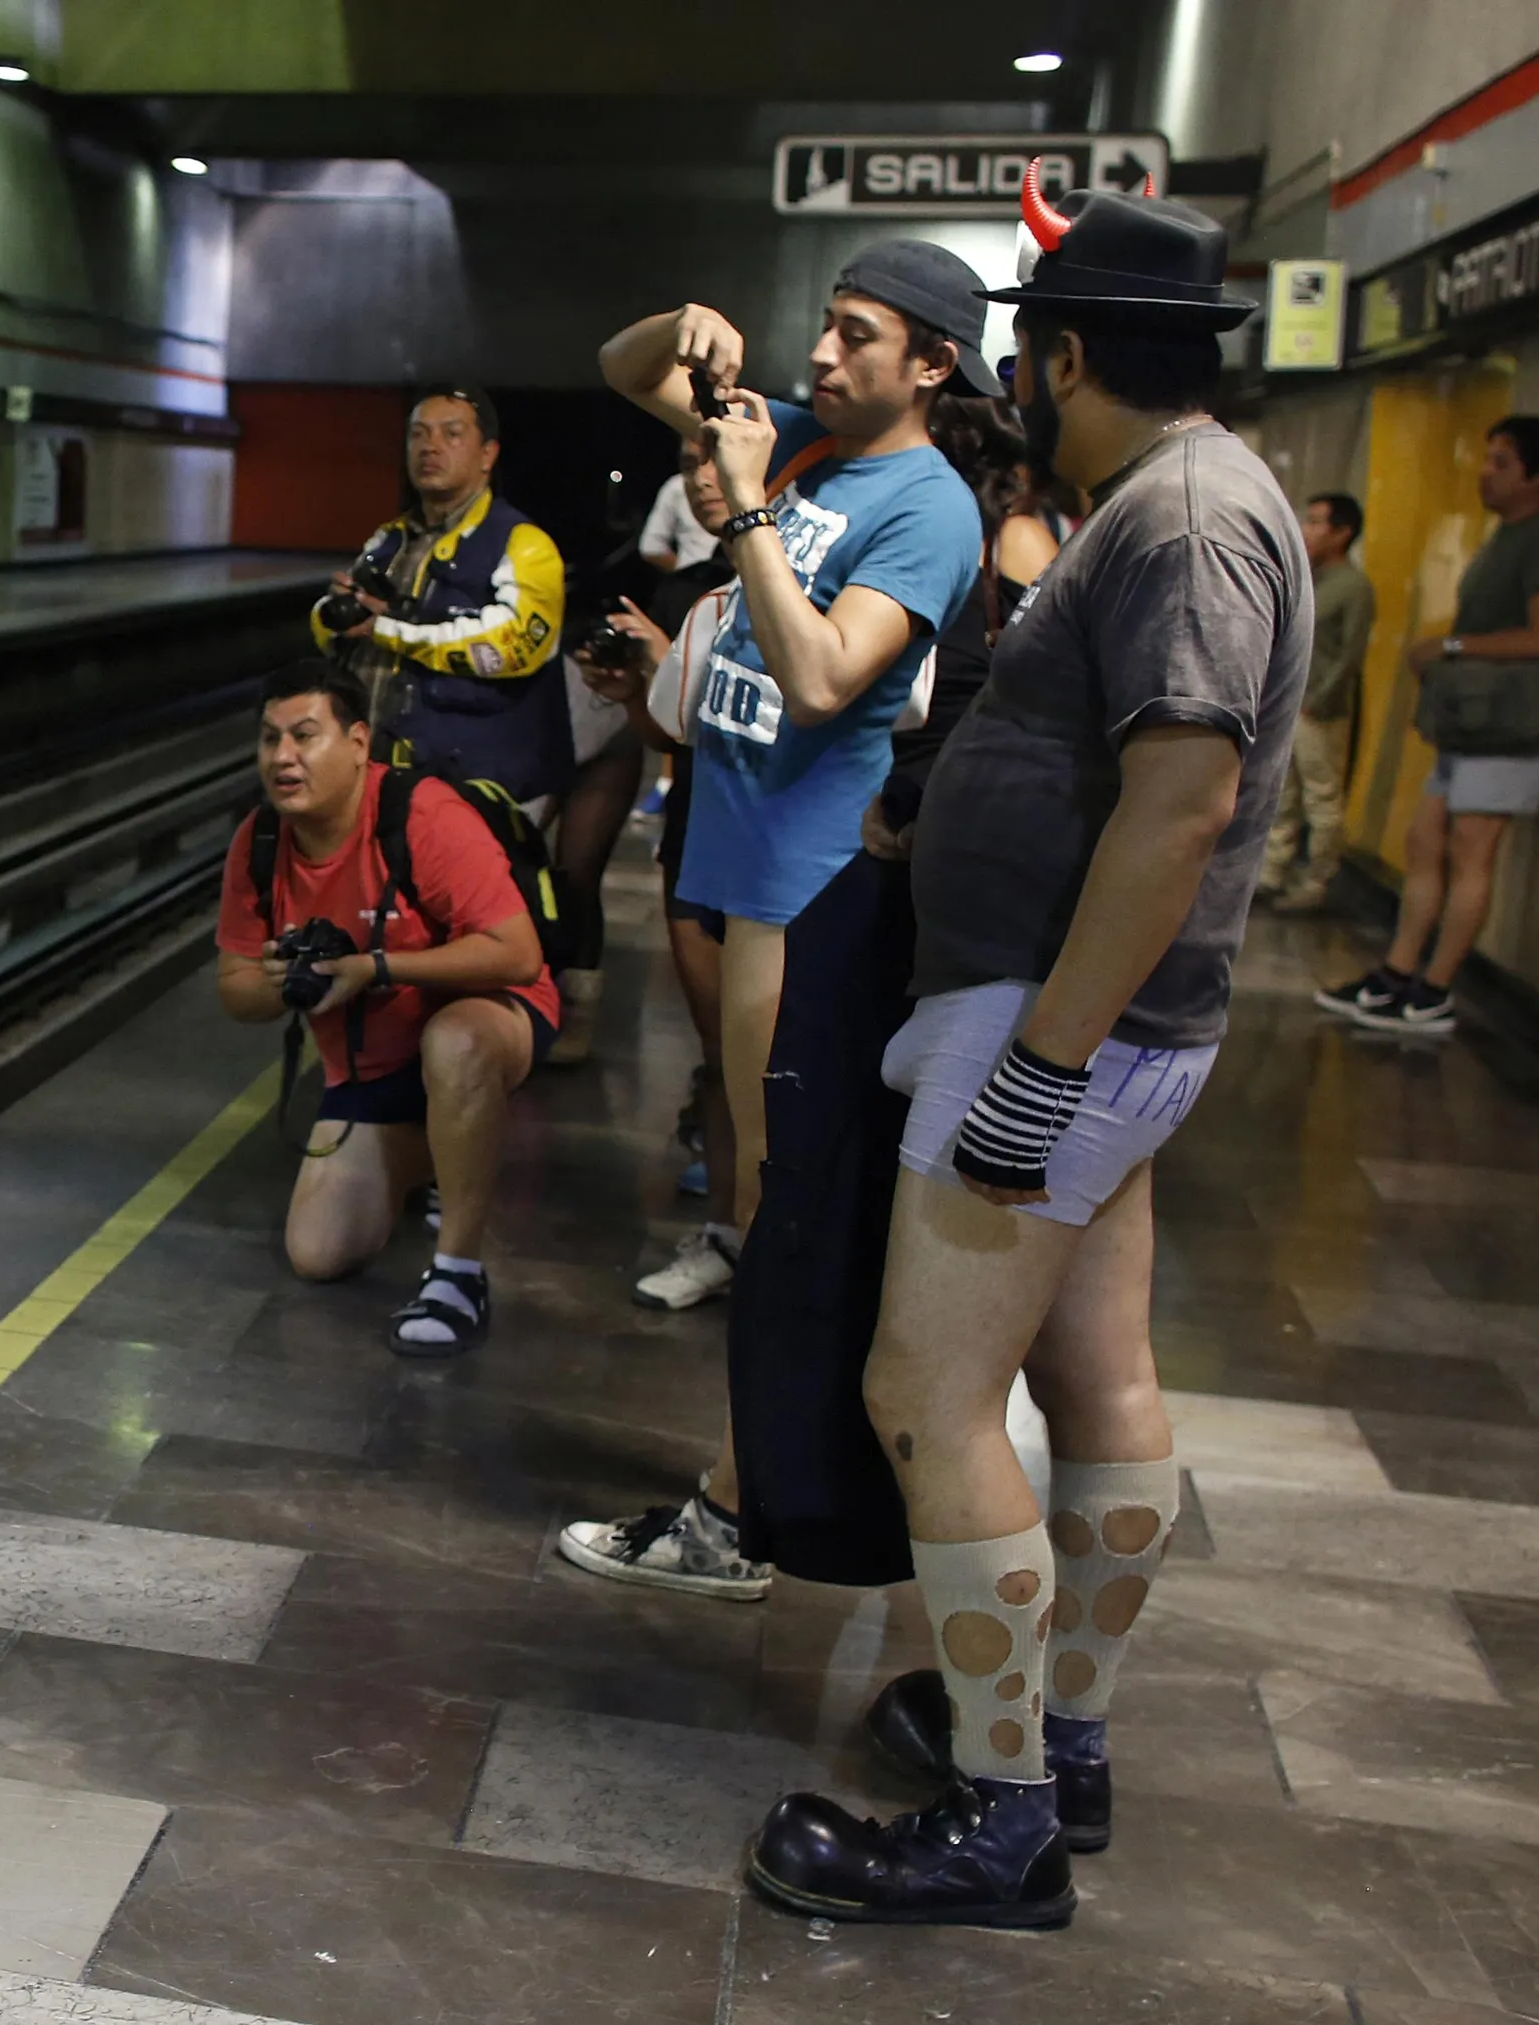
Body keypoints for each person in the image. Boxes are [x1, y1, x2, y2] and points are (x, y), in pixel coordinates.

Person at [750, 181, 1307, 1927]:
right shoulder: (1184, 500)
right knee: (1091, 1379)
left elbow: (1186, 796)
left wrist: (1043, 1065)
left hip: (1058, 1032)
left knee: (929, 1397)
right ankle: (1057, 1741)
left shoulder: (1187, 521)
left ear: (1069, 357)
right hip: (1091, 1024)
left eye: (1030, 365)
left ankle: (1001, 1820)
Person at [556, 242, 993, 1597]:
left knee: (777, 1201)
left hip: (816, 891)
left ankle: (746, 1510)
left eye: (858, 337)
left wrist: (746, 511)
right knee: (760, 1189)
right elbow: (627, 372)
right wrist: (678, 322)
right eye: (822, 327)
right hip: (740, 874)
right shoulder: (801, 438)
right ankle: (755, 1493)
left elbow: (821, 679)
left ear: (931, 363)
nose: (821, 356)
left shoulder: (927, 506)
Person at [217, 660, 559, 1356]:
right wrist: (284, 980)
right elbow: (235, 988)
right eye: (270, 739)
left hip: (489, 1016)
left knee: (455, 1043)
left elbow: (518, 953)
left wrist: (374, 966)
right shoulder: (257, 843)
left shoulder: (420, 814)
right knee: (317, 1252)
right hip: (369, 1060)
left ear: (357, 742)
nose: (283, 757)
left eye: (305, 736)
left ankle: (459, 1275)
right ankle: (445, 1148)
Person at [1316, 420, 1539, 1033]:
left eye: (1501, 462)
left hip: (1509, 722)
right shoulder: (1504, 538)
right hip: (1469, 723)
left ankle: (1434, 988)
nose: (1486, 472)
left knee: (1471, 852)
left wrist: (1453, 646)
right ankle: (1397, 971)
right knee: (1425, 843)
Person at [581, 439, 741, 1306]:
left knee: (775, 1059)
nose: (701, 476)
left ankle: (782, 1237)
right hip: (697, 833)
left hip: (782, 843)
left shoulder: (795, 577)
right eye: (686, 459)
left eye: (718, 456)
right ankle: (725, 1231)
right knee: (721, 1052)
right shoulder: (688, 589)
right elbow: (669, 733)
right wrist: (635, 684)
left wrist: (675, 662)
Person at [311, 388, 570, 807]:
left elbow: (518, 643)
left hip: (471, 788)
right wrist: (333, 614)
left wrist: (386, 630)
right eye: (418, 435)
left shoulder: (523, 543)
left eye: (451, 434)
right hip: (373, 777)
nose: (429, 447)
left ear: (488, 455)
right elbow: (333, 634)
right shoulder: (389, 539)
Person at [1260, 492, 1374, 912]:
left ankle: (1317, 881)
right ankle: (1273, 872)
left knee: (1321, 799)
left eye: (1316, 522)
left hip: (1318, 712)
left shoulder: (1353, 588)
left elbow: (1349, 657)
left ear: (1342, 533)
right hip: (1289, 705)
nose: (1306, 530)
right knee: (1283, 795)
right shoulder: (1309, 580)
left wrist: (1318, 701)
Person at [636, 462, 722, 574]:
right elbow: (651, 546)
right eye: (688, 461)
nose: (701, 482)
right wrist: (685, 572)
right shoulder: (676, 486)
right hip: (697, 582)